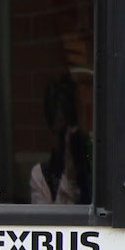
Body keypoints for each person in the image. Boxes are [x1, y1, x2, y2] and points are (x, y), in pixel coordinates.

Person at [30, 73, 91, 204]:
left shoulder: (101, 168)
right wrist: (69, 177)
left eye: (74, 129)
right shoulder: (42, 177)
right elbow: (53, 222)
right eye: (63, 132)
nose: (69, 139)